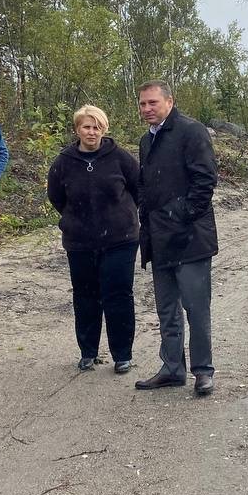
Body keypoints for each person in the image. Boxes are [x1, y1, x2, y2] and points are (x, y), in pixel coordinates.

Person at [133, 80, 219, 395]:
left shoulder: (191, 132)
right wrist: (146, 211)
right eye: (142, 104)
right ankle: (172, 368)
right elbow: (143, 183)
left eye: (152, 103)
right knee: (166, 309)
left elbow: (205, 181)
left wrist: (177, 214)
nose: (146, 109)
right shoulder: (147, 141)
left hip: (190, 239)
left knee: (196, 309)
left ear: (169, 101)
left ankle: (203, 372)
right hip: (159, 238)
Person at [47, 104, 141, 373]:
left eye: (97, 126)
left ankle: (122, 354)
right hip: (80, 242)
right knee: (85, 296)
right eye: (87, 126)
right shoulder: (63, 161)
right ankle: (88, 351)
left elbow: (137, 189)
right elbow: (56, 197)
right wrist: (75, 219)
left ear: (104, 129)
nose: (92, 132)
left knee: (119, 296)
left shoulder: (120, 158)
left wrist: (122, 216)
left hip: (120, 239)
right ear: (77, 129)